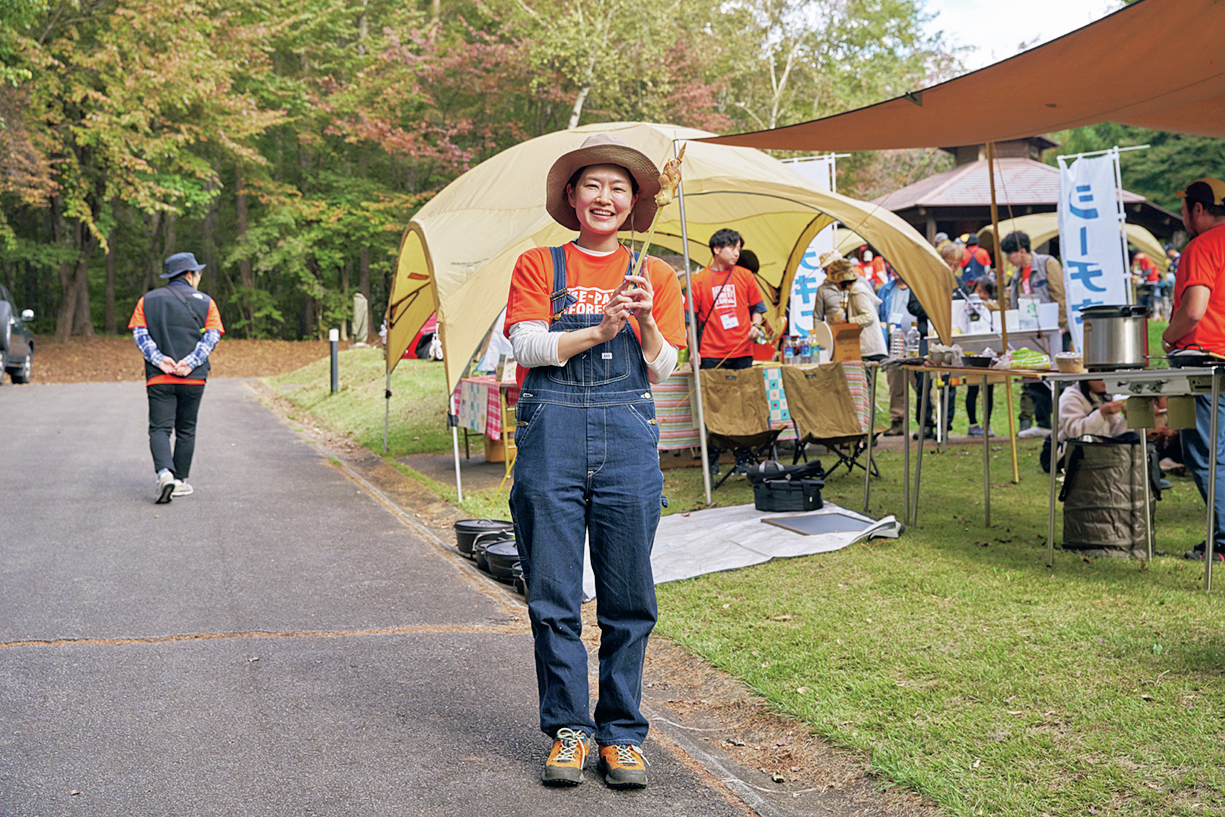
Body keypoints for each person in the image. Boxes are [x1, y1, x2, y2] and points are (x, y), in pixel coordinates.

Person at [503, 133, 687, 788]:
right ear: (572, 197)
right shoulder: (538, 265)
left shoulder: (655, 274)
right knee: (552, 592)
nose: (604, 197)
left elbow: (667, 366)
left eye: (617, 187)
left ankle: (620, 733)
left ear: (634, 201)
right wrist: (596, 331)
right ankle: (568, 729)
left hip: (626, 434)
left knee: (628, 594)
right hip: (551, 432)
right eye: (592, 185)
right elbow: (526, 344)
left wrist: (644, 323)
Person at [1160, 177, 1225, 561]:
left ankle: (1223, 543)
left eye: (1185, 209)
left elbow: (1195, 310)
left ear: (1198, 210)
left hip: (1206, 359)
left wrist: (1169, 337)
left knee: (1204, 452)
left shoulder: (1202, 246)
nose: (1184, 216)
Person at [128, 252, 224, 503]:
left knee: (160, 428)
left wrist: (160, 360)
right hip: (194, 378)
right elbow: (211, 337)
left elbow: (140, 335)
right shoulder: (207, 302)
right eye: (198, 273)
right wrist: (189, 363)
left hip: (160, 377)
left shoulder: (147, 300)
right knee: (186, 429)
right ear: (190, 275)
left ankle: (164, 475)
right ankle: (180, 480)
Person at [1001, 230, 1068, 438]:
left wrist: (1061, 322)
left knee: (1057, 376)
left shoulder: (1047, 264)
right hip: (1028, 332)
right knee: (1034, 376)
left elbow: (1059, 294)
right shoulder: (1016, 277)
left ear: (1021, 251)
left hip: (1052, 330)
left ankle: (1064, 421)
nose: (1008, 260)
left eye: (1010, 254)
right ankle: (1043, 423)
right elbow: (1008, 302)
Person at [688, 228, 766, 370]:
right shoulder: (697, 281)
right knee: (713, 392)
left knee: (745, 392)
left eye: (738, 248)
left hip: (743, 350)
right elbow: (689, 321)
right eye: (732, 248)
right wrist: (693, 351)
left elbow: (758, 307)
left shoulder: (746, 276)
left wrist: (756, 325)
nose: (737, 253)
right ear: (716, 249)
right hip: (710, 353)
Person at [814, 251, 886, 360]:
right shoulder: (827, 289)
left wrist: (847, 322)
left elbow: (869, 316)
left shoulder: (857, 290)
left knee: (863, 376)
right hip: (850, 345)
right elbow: (817, 317)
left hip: (866, 348)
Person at [876, 272, 917, 435]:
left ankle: (928, 420)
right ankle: (897, 421)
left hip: (915, 343)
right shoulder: (886, 290)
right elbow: (880, 315)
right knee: (895, 384)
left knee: (920, 383)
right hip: (893, 344)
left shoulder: (916, 287)